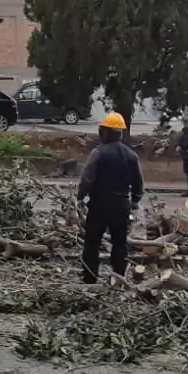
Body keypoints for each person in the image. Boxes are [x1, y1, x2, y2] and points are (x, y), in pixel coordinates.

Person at [76, 112, 145, 284]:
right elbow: (138, 183)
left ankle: (90, 278)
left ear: (105, 132)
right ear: (120, 133)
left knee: (92, 242)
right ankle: (119, 277)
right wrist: (135, 201)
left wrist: (80, 198)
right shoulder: (131, 155)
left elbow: (87, 179)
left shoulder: (98, 153)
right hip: (122, 205)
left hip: (99, 204)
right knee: (120, 244)